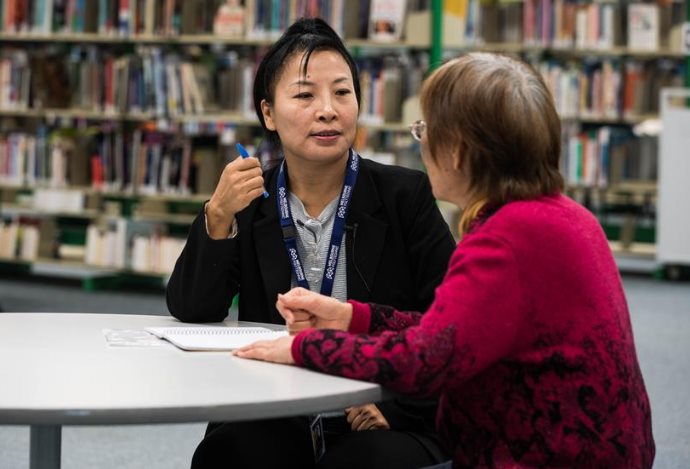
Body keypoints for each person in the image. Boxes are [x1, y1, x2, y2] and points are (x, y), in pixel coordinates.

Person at [236, 52, 656, 468]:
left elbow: (424, 361)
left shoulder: (504, 241)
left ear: (457, 151)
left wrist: (306, 347)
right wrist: (354, 318)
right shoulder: (561, 215)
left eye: (424, 130)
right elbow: (454, 330)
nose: (421, 144)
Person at [166, 17, 455, 469]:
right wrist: (217, 215)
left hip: (378, 403)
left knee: (361, 462)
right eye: (305, 95)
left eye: (342, 92)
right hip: (276, 406)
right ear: (268, 113)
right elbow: (193, 309)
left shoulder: (405, 195)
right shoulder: (250, 200)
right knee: (228, 455)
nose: (328, 110)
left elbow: (450, 324)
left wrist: (398, 409)